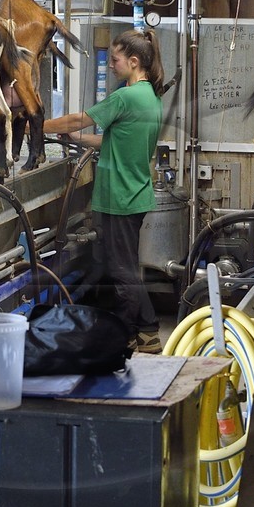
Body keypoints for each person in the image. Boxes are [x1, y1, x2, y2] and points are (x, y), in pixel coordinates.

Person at [43, 28, 166, 354]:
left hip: (121, 198)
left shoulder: (125, 96)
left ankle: (132, 333)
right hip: (134, 194)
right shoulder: (150, 97)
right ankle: (147, 331)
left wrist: (32, 124)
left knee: (121, 270)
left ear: (134, 61)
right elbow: (116, 142)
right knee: (126, 266)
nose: (111, 65)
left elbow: (75, 120)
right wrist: (78, 141)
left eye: (116, 59)